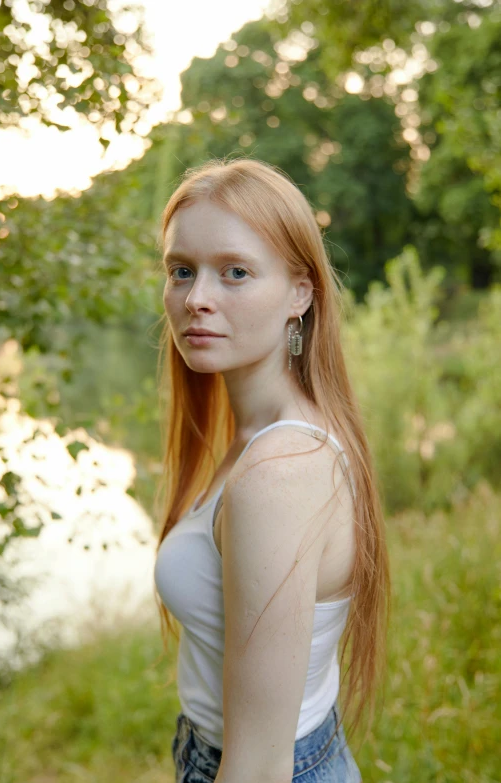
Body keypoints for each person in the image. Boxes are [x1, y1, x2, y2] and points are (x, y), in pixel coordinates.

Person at [153, 157, 390, 783]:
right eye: (182, 271)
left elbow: (259, 764)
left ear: (300, 293)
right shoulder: (269, 436)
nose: (196, 299)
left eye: (235, 272)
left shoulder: (279, 472)